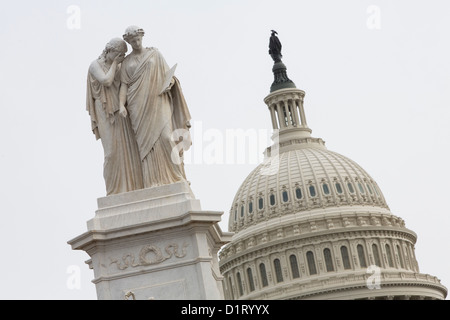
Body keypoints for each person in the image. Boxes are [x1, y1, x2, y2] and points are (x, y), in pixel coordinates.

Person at [119, 26, 191, 188]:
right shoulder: (126, 63)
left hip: (158, 100)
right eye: (133, 41)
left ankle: (177, 176)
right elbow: (124, 85)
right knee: (146, 146)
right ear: (129, 42)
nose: (136, 43)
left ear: (142, 38)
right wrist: (121, 105)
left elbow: (169, 75)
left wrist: (170, 83)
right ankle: (152, 181)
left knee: (166, 137)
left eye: (138, 39)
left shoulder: (155, 55)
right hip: (137, 106)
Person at [86, 38, 143, 195]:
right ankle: (113, 191)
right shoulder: (95, 65)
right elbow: (106, 81)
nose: (122, 57)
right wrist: (114, 64)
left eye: (123, 55)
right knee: (111, 152)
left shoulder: (119, 65)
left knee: (127, 148)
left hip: (119, 109)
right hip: (104, 109)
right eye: (119, 54)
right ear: (109, 51)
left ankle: (131, 188)